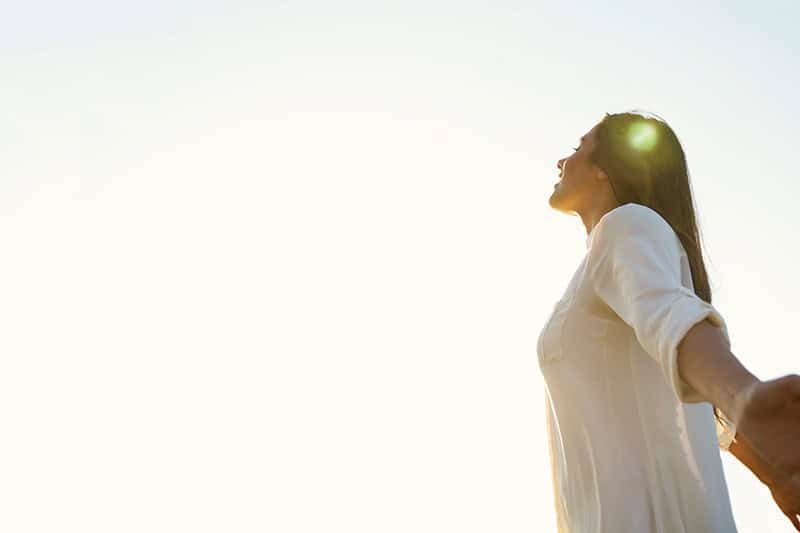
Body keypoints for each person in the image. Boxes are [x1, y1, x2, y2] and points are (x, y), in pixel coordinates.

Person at [539, 110, 800, 532]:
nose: (561, 162)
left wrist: (744, 395)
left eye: (577, 149)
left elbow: (669, 315)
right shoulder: (607, 257)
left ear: (605, 170)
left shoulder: (625, 225)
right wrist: (772, 472)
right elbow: (698, 397)